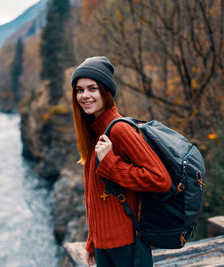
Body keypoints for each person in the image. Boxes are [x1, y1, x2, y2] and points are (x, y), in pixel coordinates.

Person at [70, 56, 172, 267]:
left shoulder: (120, 129)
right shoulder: (93, 132)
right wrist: (92, 242)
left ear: (105, 92)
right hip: (104, 246)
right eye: (80, 90)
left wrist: (111, 164)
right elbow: (94, 197)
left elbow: (160, 179)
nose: (85, 96)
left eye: (92, 88)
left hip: (127, 245)